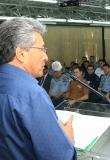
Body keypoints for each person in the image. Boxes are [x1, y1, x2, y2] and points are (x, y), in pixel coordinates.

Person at [0, 17, 76, 159]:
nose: (46, 57)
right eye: (42, 49)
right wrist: (69, 141)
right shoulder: (32, 95)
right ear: (21, 53)